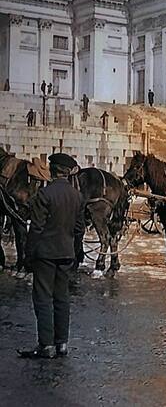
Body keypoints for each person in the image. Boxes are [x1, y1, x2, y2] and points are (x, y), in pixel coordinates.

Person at [18, 153, 84, 359]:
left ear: (52, 171)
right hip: (66, 253)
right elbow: (79, 228)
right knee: (62, 298)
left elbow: (36, 229)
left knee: (43, 298)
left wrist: (28, 255)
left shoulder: (44, 195)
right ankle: (62, 343)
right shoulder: (77, 196)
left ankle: (46, 345)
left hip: (45, 254)